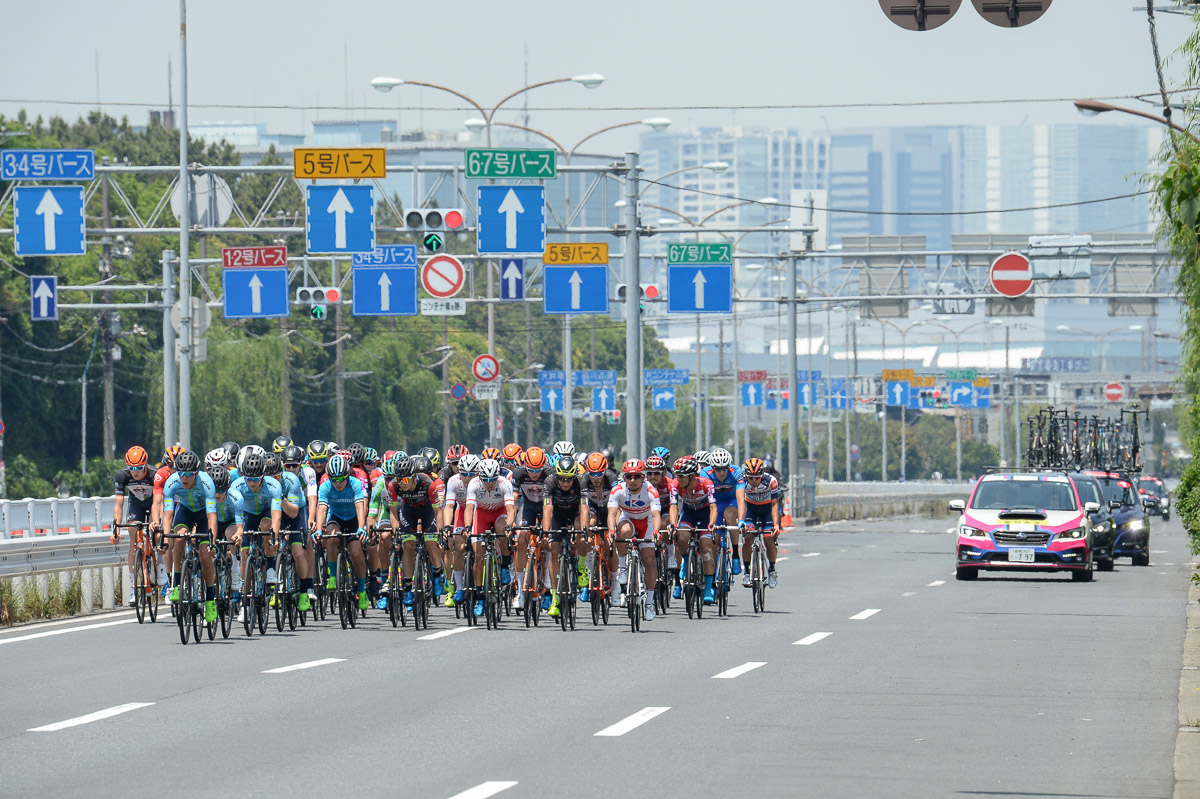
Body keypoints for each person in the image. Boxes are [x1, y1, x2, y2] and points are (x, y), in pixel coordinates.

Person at [160, 450, 219, 624]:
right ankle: (177, 585)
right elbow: (168, 515)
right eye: (181, 473)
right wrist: (165, 539)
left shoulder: (207, 483)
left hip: (203, 515)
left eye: (188, 474)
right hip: (184, 512)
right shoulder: (171, 483)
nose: (184, 478)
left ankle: (210, 599)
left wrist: (212, 542)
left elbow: (212, 517)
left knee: (206, 556)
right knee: (177, 539)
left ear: (196, 473)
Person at [313, 454, 370, 611]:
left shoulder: (355, 484)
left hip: (353, 520)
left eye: (341, 479)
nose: (338, 483)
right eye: (334, 479)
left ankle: (362, 590)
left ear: (348, 475)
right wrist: (318, 530)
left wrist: (361, 527)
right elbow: (322, 509)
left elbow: (360, 507)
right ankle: (333, 575)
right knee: (331, 537)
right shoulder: (325, 486)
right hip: (336, 518)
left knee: (356, 552)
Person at [607, 459, 662, 620]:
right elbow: (611, 513)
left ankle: (650, 603)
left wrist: (657, 531)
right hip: (628, 519)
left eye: (637, 476)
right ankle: (623, 567)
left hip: (647, 522)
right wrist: (611, 530)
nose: (632, 480)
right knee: (621, 531)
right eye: (629, 477)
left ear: (643, 477)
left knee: (649, 560)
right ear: (624, 477)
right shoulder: (617, 490)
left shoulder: (651, 491)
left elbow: (655, 515)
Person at [463, 458, 516, 618]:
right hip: (482, 515)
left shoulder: (504, 483)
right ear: (480, 477)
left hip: (499, 513)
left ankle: (505, 565)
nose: (490, 483)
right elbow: (470, 508)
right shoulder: (473, 484)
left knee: (502, 529)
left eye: (493, 479)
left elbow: (511, 509)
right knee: (478, 555)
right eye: (486, 480)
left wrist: (509, 525)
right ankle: (480, 596)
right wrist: (467, 527)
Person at [112, 445, 164, 604]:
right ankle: (134, 587)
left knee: (157, 535)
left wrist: (157, 522)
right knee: (134, 538)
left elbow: (158, 502)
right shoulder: (122, 475)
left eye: (140, 468)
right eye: (131, 468)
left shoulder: (154, 475)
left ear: (145, 464)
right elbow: (119, 504)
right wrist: (116, 527)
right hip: (136, 504)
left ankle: (160, 567)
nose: (135, 471)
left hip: (153, 503)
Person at [541, 454, 589, 617]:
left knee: (581, 533)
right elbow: (547, 509)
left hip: (574, 512)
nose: (566, 483)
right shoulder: (549, 481)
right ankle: (555, 599)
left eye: (569, 479)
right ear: (557, 476)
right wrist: (546, 533)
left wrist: (583, 529)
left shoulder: (581, 481)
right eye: (562, 479)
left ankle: (582, 566)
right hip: (557, 514)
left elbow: (584, 508)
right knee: (553, 549)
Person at [670, 455, 718, 603]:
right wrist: (673, 524)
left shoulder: (706, 484)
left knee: (706, 547)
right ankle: (685, 561)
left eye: (682, 476)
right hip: (689, 513)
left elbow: (713, 507)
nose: (679, 479)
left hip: (705, 514)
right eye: (677, 475)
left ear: (692, 476)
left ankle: (709, 588)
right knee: (681, 536)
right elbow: (673, 507)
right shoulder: (675, 484)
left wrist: (711, 523)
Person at [738, 457, 781, 589]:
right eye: (751, 478)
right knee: (748, 537)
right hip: (751, 510)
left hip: (766, 510)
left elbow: (774, 504)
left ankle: (772, 570)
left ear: (762, 475)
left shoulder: (771, 481)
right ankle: (746, 571)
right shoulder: (742, 482)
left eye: (757, 478)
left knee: (768, 539)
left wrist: (776, 525)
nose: (754, 481)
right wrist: (740, 520)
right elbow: (740, 502)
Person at [702, 447, 745, 576]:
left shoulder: (736, 472)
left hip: (731, 501)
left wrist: (741, 520)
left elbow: (741, 499)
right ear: (712, 468)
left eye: (724, 468)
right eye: (718, 469)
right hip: (715, 504)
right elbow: (706, 500)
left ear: (729, 466)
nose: (721, 472)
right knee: (714, 540)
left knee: (731, 515)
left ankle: (736, 554)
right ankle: (715, 574)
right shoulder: (705, 473)